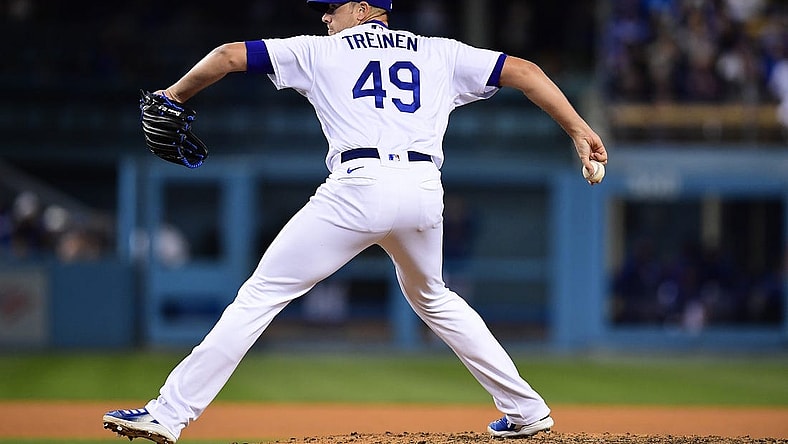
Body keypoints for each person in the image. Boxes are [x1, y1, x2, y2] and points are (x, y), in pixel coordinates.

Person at [102, 1, 608, 442]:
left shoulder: (321, 50)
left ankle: (168, 414)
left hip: (359, 186)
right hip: (423, 192)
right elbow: (523, 69)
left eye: (333, 7)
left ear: (365, 9)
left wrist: (173, 95)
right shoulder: (440, 51)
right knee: (433, 297)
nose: (325, 16)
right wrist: (580, 130)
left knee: (261, 294)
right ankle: (525, 410)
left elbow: (231, 55)